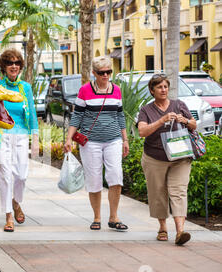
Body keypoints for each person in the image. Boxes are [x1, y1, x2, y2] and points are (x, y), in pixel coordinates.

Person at [0, 49, 39, 232]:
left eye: (17, 63)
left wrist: (35, 138)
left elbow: (32, 113)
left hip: (21, 134)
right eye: (10, 63)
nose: (14, 66)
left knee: (21, 175)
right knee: (5, 175)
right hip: (0, 135)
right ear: (3, 66)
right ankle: (9, 216)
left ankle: (16, 202)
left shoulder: (25, 87)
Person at [64, 56, 129, 231]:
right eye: (102, 73)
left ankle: (114, 217)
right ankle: (97, 217)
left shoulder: (116, 90)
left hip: (113, 139)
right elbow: (77, 115)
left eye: (109, 72)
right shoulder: (85, 90)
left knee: (116, 176)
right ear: (94, 73)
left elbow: (120, 115)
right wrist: (69, 138)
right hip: (90, 141)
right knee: (94, 179)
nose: (106, 75)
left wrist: (125, 139)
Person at [137, 74, 196, 245]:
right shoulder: (146, 110)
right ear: (152, 90)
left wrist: (185, 120)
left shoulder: (179, 105)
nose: (163, 90)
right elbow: (142, 132)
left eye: (165, 87)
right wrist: (161, 120)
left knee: (178, 192)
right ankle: (162, 227)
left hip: (180, 157)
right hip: (154, 157)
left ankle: (180, 231)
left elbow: (194, 124)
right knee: (158, 193)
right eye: (159, 87)